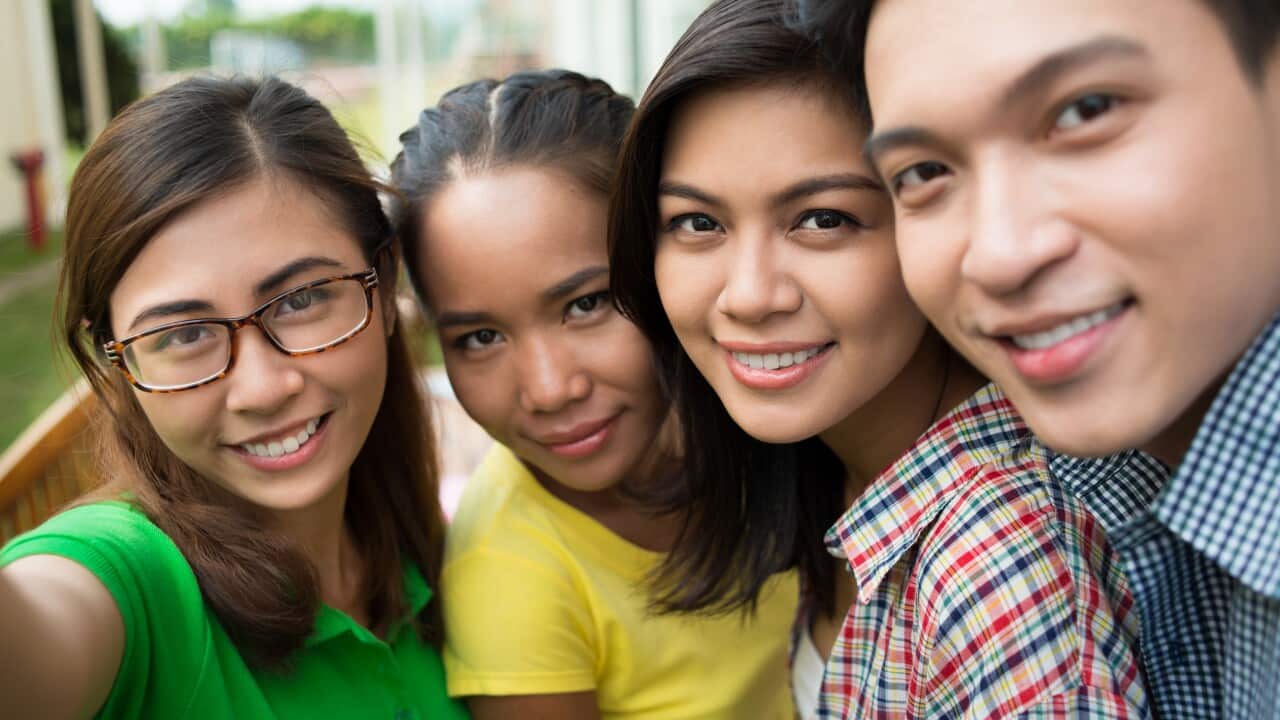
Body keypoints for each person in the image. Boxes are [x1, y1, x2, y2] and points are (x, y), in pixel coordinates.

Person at [607, 0, 1148, 717]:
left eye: (824, 219)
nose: (749, 296)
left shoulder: (995, 560)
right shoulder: (837, 469)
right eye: (698, 223)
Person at [793, 0, 1280, 716]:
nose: (999, 253)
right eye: (924, 170)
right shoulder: (1118, 495)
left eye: (1086, 111)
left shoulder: (1002, 547)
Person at [0, 76, 467, 719]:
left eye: (303, 299)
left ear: (383, 287)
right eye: (184, 334)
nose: (263, 389)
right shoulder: (133, 582)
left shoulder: (429, 549)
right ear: (117, 361)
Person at [387, 68, 798, 720]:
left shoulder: (776, 415)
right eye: (480, 337)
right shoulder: (512, 576)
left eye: (587, 303)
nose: (550, 391)